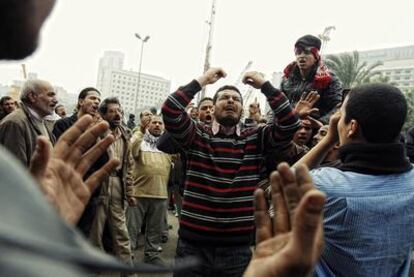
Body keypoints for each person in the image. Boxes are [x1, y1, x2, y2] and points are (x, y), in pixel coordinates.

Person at [162, 67, 301, 276]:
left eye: (236, 99)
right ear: (213, 107)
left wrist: (264, 85)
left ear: (242, 109)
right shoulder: (197, 134)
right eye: (224, 98)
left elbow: (290, 123)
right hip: (192, 246)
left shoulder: (256, 137)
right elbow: (170, 111)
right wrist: (203, 80)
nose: (230, 101)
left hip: (236, 250)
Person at [296, 83, 414, 276]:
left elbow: (284, 184)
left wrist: (329, 139)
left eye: (340, 116)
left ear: (352, 127)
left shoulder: (326, 186)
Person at [89, 97, 134, 264]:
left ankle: (128, 272)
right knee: (95, 233)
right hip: (99, 184)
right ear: (103, 114)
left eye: (119, 111)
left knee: (121, 233)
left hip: (117, 185)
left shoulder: (125, 134)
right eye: (112, 111)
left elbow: (128, 167)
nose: (117, 114)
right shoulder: (95, 132)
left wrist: (130, 192)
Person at [127, 115, 172, 265]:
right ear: (147, 125)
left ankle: (152, 254)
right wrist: (140, 131)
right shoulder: (139, 140)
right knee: (131, 228)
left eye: (160, 123)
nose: (157, 125)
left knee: (155, 229)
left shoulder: (167, 145)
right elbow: (131, 151)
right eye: (154, 123)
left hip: (160, 194)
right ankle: (127, 254)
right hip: (138, 193)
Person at [281, 34, 342, 123]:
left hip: (316, 130)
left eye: (307, 52)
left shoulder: (329, 79)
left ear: (316, 57)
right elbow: (277, 104)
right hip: (289, 127)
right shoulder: (286, 79)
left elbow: (338, 107)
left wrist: (319, 123)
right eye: (298, 52)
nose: (301, 56)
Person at [0, 79, 57, 166]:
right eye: (50, 95)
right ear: (32, 97)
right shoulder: (15, 123)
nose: (56, 100)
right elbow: (17, 170)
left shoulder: (42, 121)